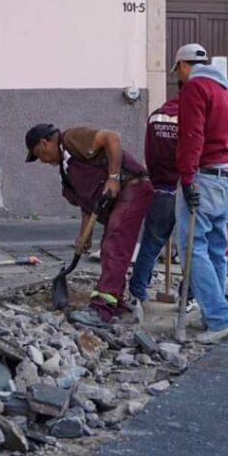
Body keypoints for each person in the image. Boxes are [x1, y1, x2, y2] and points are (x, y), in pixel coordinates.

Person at [25, 123, 154, 327]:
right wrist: (84, 234)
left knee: (115, 246)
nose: (41, 160)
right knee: (109, 248)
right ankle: (116, 303)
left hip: (133, 188)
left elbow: (112, 136)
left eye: (38, 154)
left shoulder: (72, 139)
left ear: (44, 143)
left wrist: (113, 179)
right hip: (120, 198)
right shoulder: (67, 169)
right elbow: (87, 203)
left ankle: (100, 310)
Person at [175, 43, 228, 344]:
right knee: (216, 249)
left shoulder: (195, 88)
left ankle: (219, 317)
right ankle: (213, 313)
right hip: (225, 177)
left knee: (192, 249)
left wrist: (187, 178)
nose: (180, 78)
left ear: (184, 66)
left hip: (203, 176)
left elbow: (192, 135)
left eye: (179, 72)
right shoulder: (227, 91)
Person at [126, 92, 180, 309]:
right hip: (181, 188)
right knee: (192, 248)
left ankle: (137, 291)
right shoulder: (190, 116)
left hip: (158, 186)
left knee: (150, 242)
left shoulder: (155, 117)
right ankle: (192, 296)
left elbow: (148, 151)